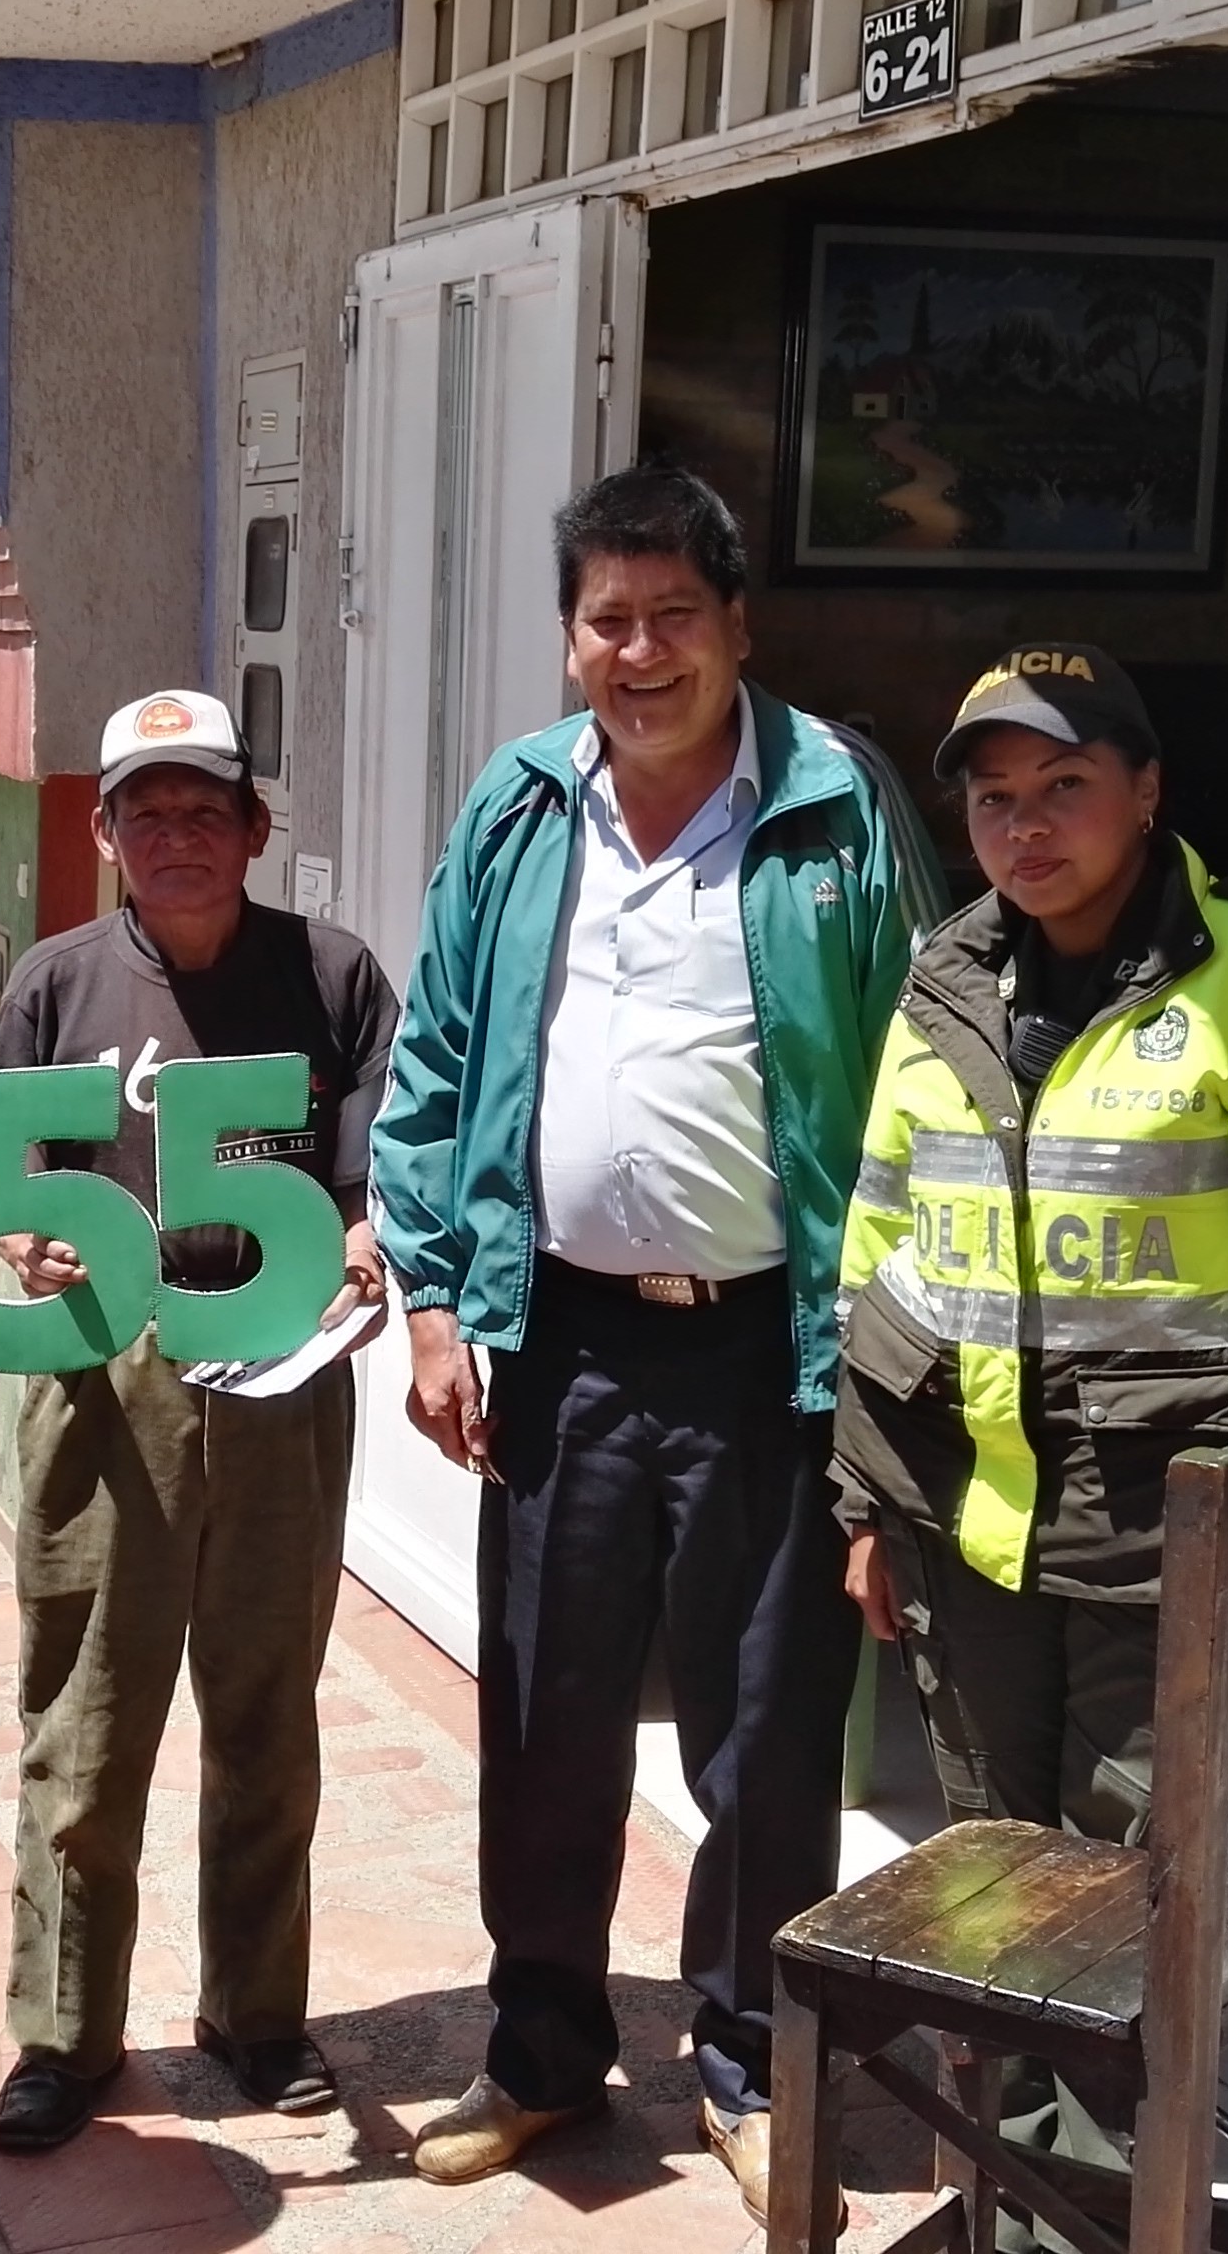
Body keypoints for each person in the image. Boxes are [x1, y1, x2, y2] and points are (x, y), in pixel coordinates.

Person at [369, 460, 939, 2225]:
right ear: (570, 638)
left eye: (673, 615)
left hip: (767, 1346)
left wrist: (893, 1365)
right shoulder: (521, 809)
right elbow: (441, 1056)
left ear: (737, 623)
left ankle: (751, 2060)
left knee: (771, 1727)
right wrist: (440, 1294)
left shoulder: (839, 808)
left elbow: (916, 1083)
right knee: (542, 1702)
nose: (639, 650)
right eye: (607, 619)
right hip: (560, 1339)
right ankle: (541, 2048)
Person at [825, 643, 1228, 2216]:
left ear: (1147, 791)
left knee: (1124, 1933)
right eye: (992, 799)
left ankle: (1087, 2226)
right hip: (974, 1539)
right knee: (989, 1914)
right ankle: (1005, 2204)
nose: (1025, 828)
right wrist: (862, 1502)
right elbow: (885, 1252)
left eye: (1064, 789)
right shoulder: (943, 980)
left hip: (1166, 1553)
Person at [0, 688, 401, 2155]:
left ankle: (256, 2016)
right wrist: (15, 1251)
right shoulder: (54, 985)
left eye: (203, 810)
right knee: (87, 1729)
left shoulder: (332, 976)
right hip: (111, 1385)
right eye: (144, 812)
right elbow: (7, 1197)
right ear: (103, 835)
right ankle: (65, 2034)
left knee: (268, 1718)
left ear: (253, 829)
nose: (176, 837)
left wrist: (365, 1243)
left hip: (281, 1379)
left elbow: (375, 1175)